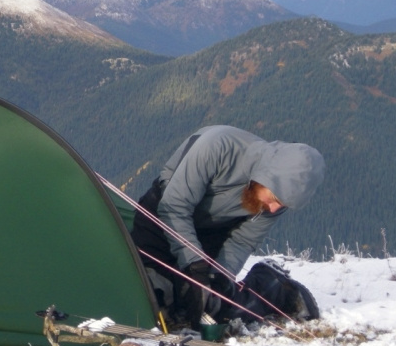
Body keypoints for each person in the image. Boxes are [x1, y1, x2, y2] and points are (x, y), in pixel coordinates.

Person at [130, 125, 325, 326]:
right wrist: (194, 264)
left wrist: (218, 279)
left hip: (212, 233)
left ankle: (273, 289)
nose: (274, 209)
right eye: (274, 198)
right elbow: (174, 206)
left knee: (206, 307)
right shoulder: (218, 147)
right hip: (160, 219)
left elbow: (242, 241)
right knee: (148, 295)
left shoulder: (277, 197)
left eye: (282, 205)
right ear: (265, 176)